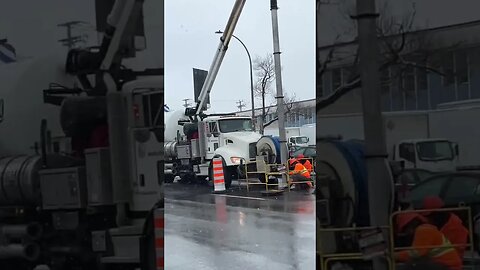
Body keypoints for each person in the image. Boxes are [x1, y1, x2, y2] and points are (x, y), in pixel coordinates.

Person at [395, 212, 462, 270]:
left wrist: (395, 255)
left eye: (405, 229)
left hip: (448, 266)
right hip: (446, 265)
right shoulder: (426, 229)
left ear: (411, 224)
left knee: (412, 265)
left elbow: (416, 253)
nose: (407, 233)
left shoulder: (423, 230)